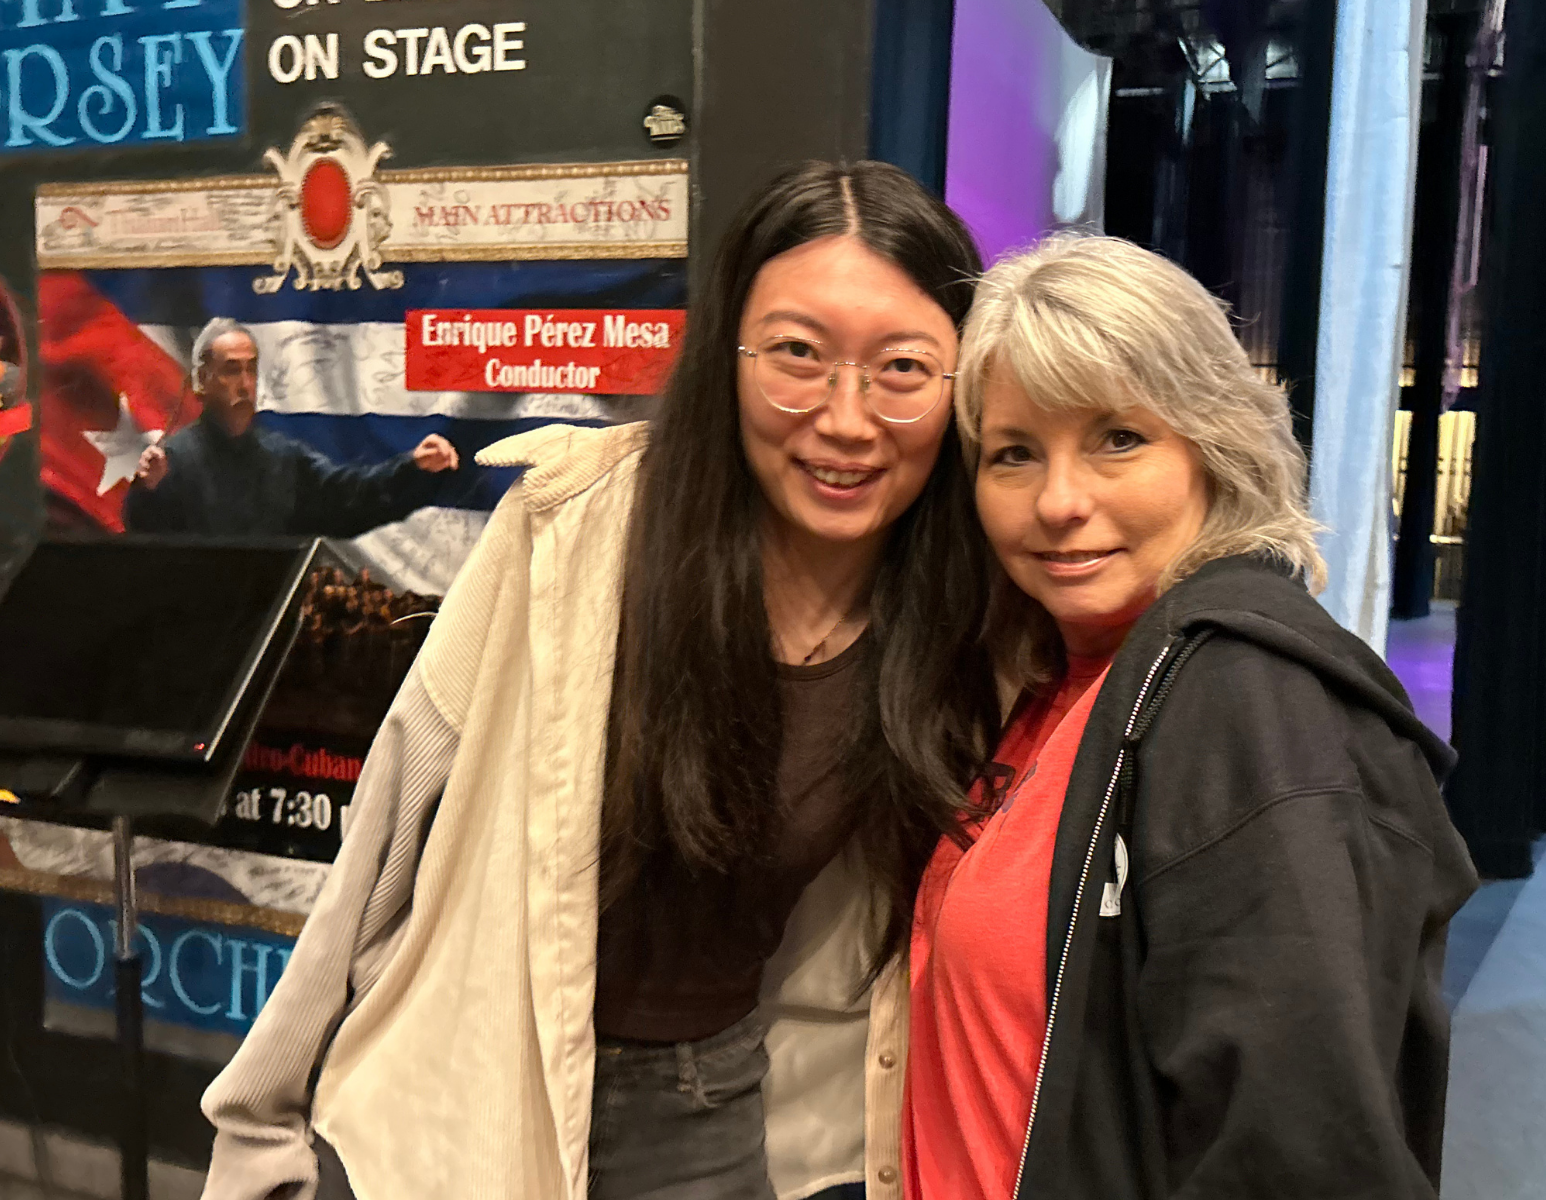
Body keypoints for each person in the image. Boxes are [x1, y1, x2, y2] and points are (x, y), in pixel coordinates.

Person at [199, 162, 996, 1200]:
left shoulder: (950, 617)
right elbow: (387, 826)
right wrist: (258, 1123)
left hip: (707, 1110)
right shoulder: (572, 528)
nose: (845, 419)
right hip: (473, 1085)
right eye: (797, 355)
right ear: (728, 355)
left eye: (900, 368)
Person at [902, 234, 1480, 1199]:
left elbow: (1303, 1160)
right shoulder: (1071, 675)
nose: (1059, 501)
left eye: (1118, 438)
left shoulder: (1248, 702)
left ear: (1216, 444)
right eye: (1013, 454)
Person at [125, 318, 459, 536]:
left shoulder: (282, 458)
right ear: (202, 381)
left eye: (250, 369)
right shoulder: (173, 462)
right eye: (230, 370)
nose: (244, 384)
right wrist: (147, 492)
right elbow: (148, 543)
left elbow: (350, 496)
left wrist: (413, 468)